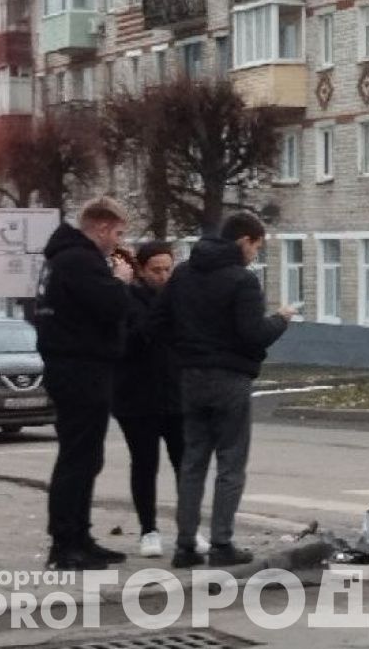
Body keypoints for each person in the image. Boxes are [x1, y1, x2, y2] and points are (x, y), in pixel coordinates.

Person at [153, 213, 295, 568]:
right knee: (231, 461)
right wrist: (281, 319)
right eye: (256, 248)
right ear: (244, 241)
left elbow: (158, 321)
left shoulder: (183, 272)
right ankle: (221, 543)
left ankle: (185, 545)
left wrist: (187, 351)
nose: (254, 255)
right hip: (229, 379)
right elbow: (253, 334)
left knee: (193, 461)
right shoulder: (241, 282)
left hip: (190, 377)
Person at [34, 197, 133, 570]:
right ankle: (65, 543)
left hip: (74, 363)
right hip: (81, 367)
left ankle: (79, 535)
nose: (119, 242)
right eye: (118, 233)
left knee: (87, 456)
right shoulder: (79, 260)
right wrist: (119, 282)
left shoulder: (62, 259)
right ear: (102, 228)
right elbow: (110, 307)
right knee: (78, 457)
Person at [113, 241, 206, 559]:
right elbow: (128, 342)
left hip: (177, 394)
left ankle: (189, 528)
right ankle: (149, 530)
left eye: (168, 269)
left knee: (186, 464)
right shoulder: (127, 298)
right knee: (144, 463)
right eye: (156, 270)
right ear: (141, 269)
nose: (163, 276)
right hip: (136, 397)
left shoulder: (182, 299)